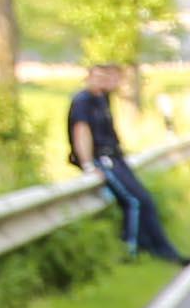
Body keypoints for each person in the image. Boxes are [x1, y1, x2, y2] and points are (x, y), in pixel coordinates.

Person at [63, 67, 183, 266]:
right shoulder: (82, 102)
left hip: (114, 156)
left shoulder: (102, 99)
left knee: (146, 200)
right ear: (89, 78)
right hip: (103, 159)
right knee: (133, 201)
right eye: (100, 77)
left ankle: (159, 248)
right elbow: (81, 132)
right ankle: (130, 251)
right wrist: (87, 164)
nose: (106, 81)